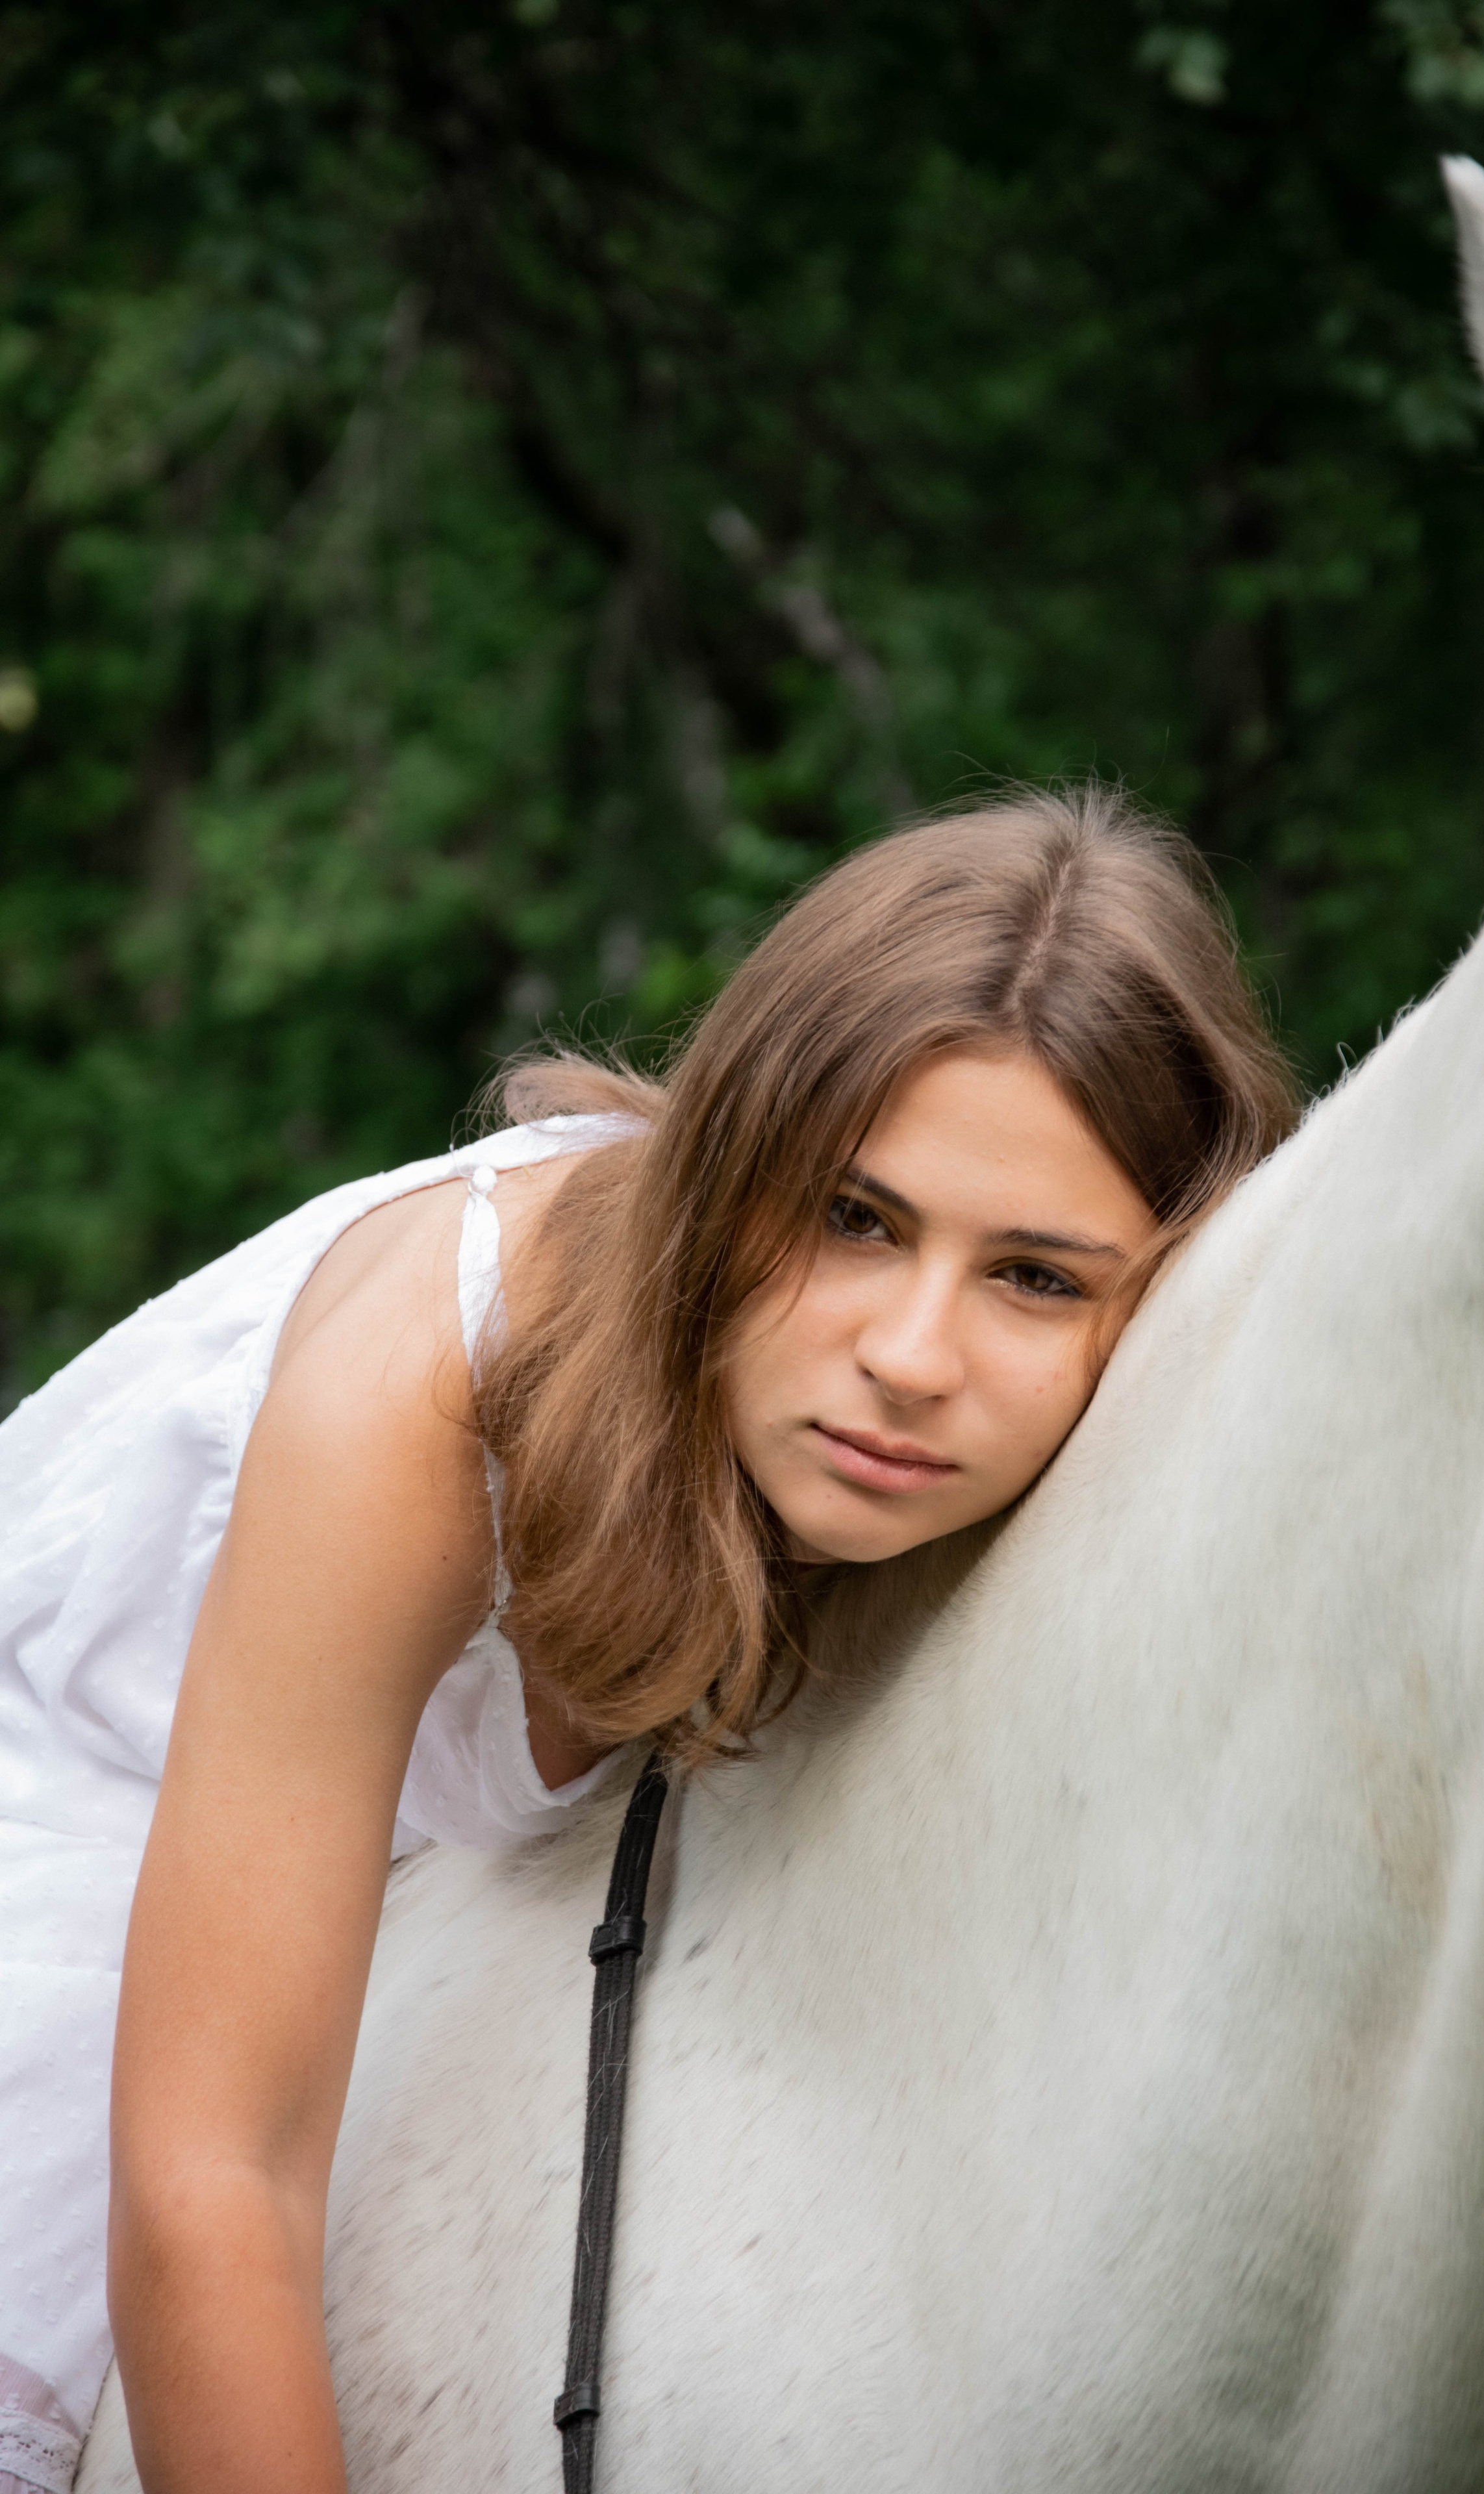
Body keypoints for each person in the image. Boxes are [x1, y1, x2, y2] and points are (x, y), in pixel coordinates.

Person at [0, 785, 1296, 2494]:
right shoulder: (431, 1391)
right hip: (85, 1830)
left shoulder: (1091, 1456)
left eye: (1037, 1278)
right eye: (853, 1218)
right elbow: (215, 2172)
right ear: (725, 1171)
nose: (912, 1357)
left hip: (430, 1904)